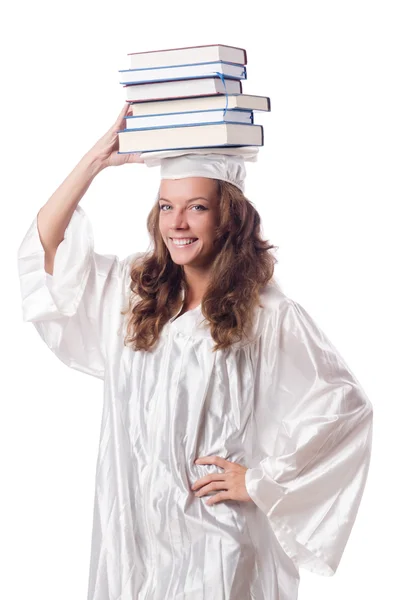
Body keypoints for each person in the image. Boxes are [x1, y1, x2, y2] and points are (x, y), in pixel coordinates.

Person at [17, 103, 373, 600]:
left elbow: (345, 408)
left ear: (228, 216)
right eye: (166, 206)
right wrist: (96, 160)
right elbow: (46, 252)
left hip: (218, 543)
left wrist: (262, 482)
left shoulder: (267, 314)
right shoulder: (133, 293)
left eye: (197, 207)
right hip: (134, 537)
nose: (177, 223)